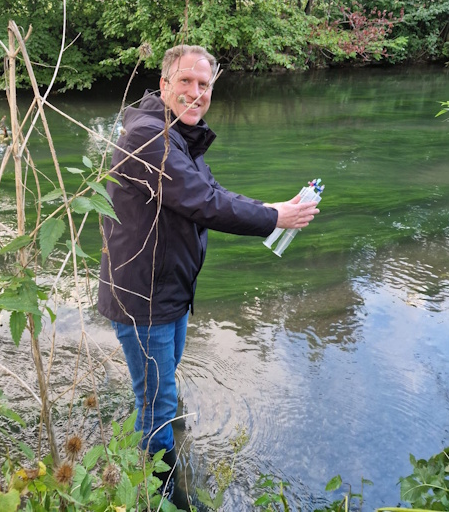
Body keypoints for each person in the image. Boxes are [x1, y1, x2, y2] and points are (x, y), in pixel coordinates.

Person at [96, 45, 319, 507]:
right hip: (144, 301)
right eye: (185, 82)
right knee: (156, 406)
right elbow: (205, 203)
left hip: (170, 293)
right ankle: (162, 496)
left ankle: (158, 449)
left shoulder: (181, 136)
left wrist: (270, 209)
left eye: (204, 85)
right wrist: (273, 220)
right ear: (164, 85)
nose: (195, 93)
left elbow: (211, 191)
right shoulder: (148, 138)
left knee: (163, 386)